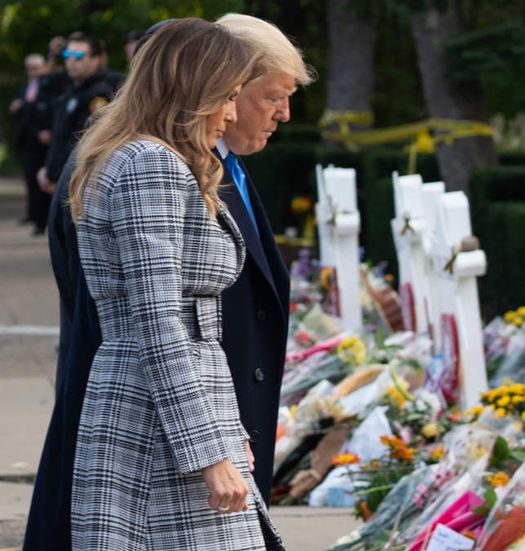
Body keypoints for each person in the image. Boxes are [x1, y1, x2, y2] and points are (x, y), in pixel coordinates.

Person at [24, 14, 313, 550]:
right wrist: (209, 449)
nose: (230, 113)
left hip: (174, 415)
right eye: (226, 95)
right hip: (154, 423)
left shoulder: (160, 160)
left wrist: (226, 428)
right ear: (193, 90)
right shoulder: (149, 165)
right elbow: (157, 323)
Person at [214, 13, 315, 503]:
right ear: (228, 89)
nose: (284, 114)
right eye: (274, 97)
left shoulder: (229, 163)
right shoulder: (174, 171)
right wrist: (211, 447)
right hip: (205, 452)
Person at [37, 31, 114, 195]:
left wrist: (63, 181)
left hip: (77, 187)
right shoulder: (72, 90)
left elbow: (86, 144)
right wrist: (48, 168)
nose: (71, 60)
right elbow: (60, 136)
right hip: (60, 182)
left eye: (79, 55)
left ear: (95, 60)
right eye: (67, 54)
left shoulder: (99, 94)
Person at [9, 54, 51, 234]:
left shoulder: (49, 86)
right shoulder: (26, 87)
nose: (32, 71)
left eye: (36, 67)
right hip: (29, 140)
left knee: (46, 179)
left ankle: (45, 218)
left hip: (46, 141)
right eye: (30, 68)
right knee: (32, 180)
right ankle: (36, 217)